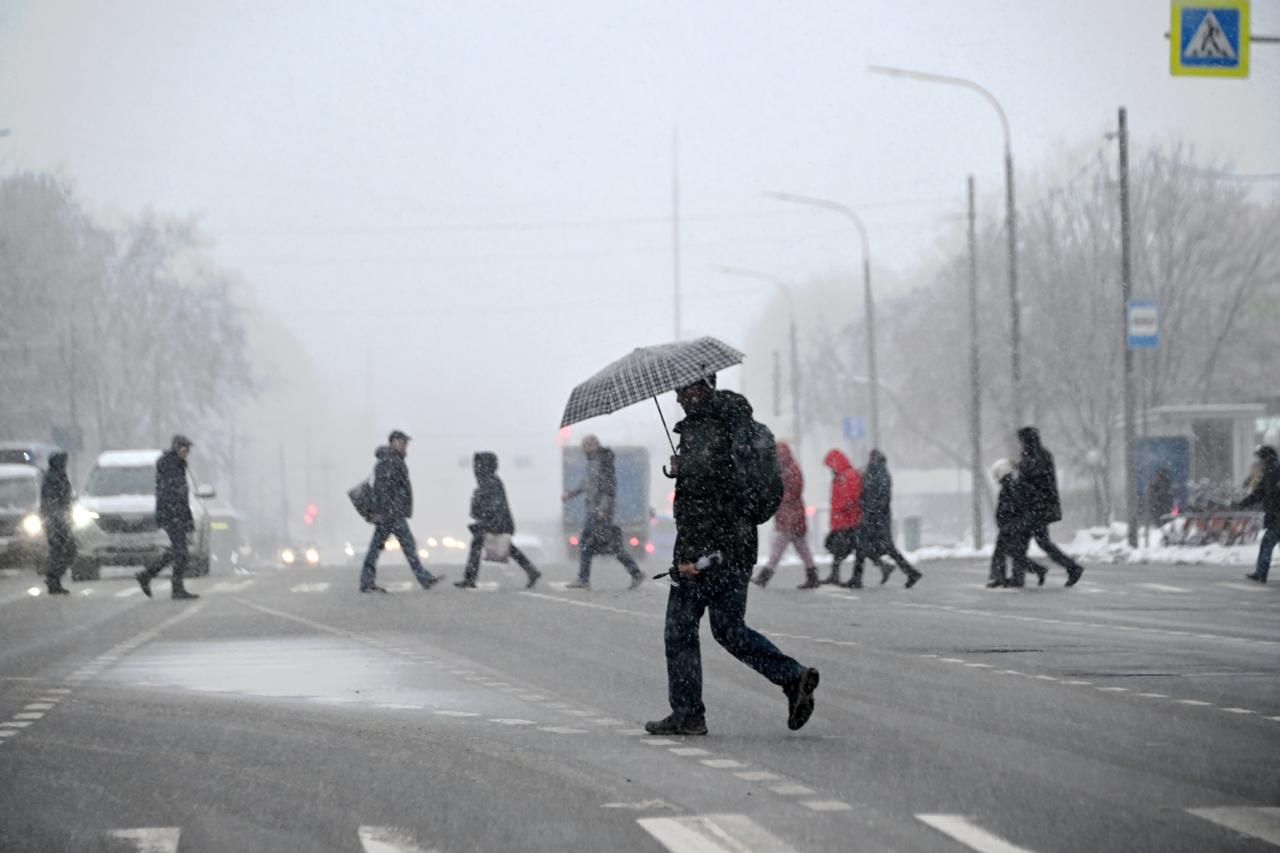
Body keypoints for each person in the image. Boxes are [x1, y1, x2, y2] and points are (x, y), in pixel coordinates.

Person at [645, 374, 819, 737]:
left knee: (679, 631)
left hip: (708, 552)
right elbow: (737, 492)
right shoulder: (742, 424)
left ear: (701, 388)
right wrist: (686, 469)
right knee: (729, 629)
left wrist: (692, 557)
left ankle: (688, 713)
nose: (677, 397)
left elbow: (709, 498)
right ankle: (792, 677)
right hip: (737, 548)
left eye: (682, 389)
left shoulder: (708, 430)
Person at [359, 430, 442, 593]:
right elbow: (382, 489)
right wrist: (388, 509)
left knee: (378, 548)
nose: (406, 446)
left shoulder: (391, 460)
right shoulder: (389, 461)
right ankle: (423, 578)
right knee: (404, 546)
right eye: (403, 443)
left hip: (389, 513)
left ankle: (367, 581)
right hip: (391, 513)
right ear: (394, 443)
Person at [563, 435, 643, 591]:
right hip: (594, 510)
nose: (584, 447)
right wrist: (571, 494)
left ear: (595, 444)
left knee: (589, 543)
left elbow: (608, 487)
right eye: (583, 444)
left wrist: (603, 508)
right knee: (608, 545)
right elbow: (587, 483)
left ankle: (583, 579)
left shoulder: (603, 461)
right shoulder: (592, 461)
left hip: (599, 511)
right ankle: (635, 573)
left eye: (587, 444)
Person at [457, 452, 541, 589]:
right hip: (496, 521)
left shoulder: (491, 481)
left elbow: (494, 505)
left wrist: (487, 520)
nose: (475, 468)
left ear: (485, 466)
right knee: (508, 548)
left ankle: (470, 578)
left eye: (477, 464)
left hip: (496, 522)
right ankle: (531, 571)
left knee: (478, 545)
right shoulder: (489, 480)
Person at [1016, 427, 1084, 587]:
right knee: (1038, 542)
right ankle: (1066, 568)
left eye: (1021, 441)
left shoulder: (1038, 456)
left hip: (1037, 508)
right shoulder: (1037, 455)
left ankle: (1023, 576)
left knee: (1024, 543)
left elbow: (1034, 478)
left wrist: (1019, 469)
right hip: (1037, 507)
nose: (1020, 444)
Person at [135, 435, 200, 600]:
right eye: (186, 449)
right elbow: (172, 491)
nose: (188, 453)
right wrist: (177, 513)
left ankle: (147, 575)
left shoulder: (176, 463)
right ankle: (175, 587)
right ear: (178, 448)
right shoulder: (169, 464)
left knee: (177, 551)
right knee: (181, 552)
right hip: (172, 514)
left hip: (175, 513)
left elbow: (179, 492)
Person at [846, 449, 922, 589]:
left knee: (876, 547)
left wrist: (865, 506)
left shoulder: (876, 474)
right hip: (877, 517)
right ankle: (859, 577)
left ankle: (910, 572)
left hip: (874, 517)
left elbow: (874, 496)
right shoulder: (879, 473)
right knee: (866, 547)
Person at [753, 442, 818, 589]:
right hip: (789, 516)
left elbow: (793, 491)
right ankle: (812, 575)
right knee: (802, 549)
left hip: (791, 517)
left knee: (780, 548)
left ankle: (765, 576)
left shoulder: (790, 470)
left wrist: (779, 498)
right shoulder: (785, 470)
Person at [987, 458, 1047, 589]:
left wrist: (1012, 523)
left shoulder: (1012, 486)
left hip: (1014, 526)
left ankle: (1005, 577)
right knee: (1011, 553)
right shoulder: (1010, 485)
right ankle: (1007, 577)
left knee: (1010, 553)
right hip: (1012, 525)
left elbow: (1014, 507)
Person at [815, 448, 865, 588]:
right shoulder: (841, 476)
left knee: (849, 549)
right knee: (841, 549)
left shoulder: (848, 476)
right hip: (842, 520)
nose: (830, 469)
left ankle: (851, 576)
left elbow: (851, 497)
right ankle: (838, 575)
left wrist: (842, 508)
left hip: (848, 520)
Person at [1235, 445, 1279, 584]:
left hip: (1276, 515)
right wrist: (1244, 503)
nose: (1259, 461)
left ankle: (1261, 573)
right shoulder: (1271, 470)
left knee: (1267, 543)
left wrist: (1243, 503)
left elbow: (1259, 493)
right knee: (1267, 543)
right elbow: (1260, 492)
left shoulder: (1272, 471)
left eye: (1260, 458)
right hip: (1275, 514)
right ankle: (1260, 572)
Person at [39, 450, 75, 595]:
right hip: (56, 521)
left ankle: (54, 578)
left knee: (62, 550)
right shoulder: (54, 478)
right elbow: (53, 501)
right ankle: (53, 578)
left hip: (57, 520)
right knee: (64, 550)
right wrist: (58, 519)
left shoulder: (57, 476)